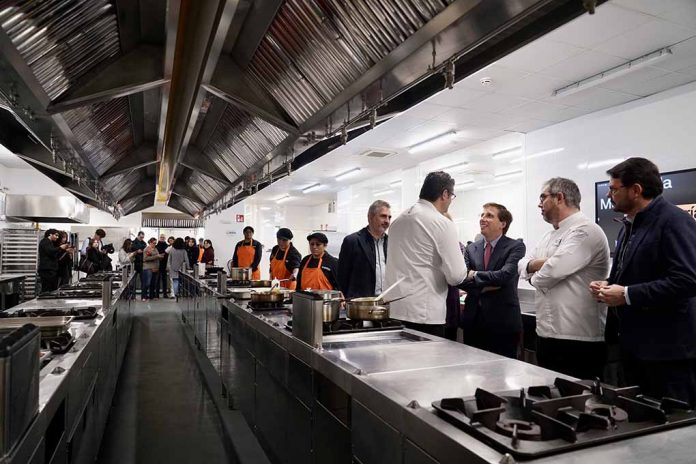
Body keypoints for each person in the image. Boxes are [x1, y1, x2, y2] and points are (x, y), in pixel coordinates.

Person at [590, 158, 696, 406]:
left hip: (668, 353)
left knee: (674, 423)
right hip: (636, 348)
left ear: (636, 190)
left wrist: (627, 294)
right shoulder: (630, 224)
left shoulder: (674, 221)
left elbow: (687, 279)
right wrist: (608, 285)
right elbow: (638, 273)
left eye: (614, 189)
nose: (609, 195)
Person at [518, 177, 610, 380]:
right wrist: (539, 265)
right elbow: (522, 264)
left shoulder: (585, 230)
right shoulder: (548, 236)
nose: (539, 204)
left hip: (578, 339)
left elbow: (550, 273)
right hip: (546, 335)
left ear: (559, 197)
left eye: (543, 197)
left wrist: (535, 273)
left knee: (579, 396)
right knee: (550, 394)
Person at [385, 171, 468, 337]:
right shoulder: (442, 223)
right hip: (425, 315)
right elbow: (456, 276)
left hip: (395, 311)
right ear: (445, 194)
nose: (450, 201)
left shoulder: (398, 221)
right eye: (452, 196)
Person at [460, 203, 525, 358]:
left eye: (489, 215)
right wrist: (484, 287)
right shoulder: (471, 248)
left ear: (503, 224)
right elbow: (461, 279)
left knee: (503, 368)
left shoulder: (515, 246)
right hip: (473, 320)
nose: (483, 219)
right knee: (472, 368)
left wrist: (475, 275)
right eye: (482, 215)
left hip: (503, 322)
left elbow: (504, 275)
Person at [338, 200, 391, 299]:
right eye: (383, 216)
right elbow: (342, 275)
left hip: (386, 301)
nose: (387, 221)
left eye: (389, 217)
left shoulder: (391, 242)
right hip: (360, 302)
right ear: (370, 217)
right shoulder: (352, 241)